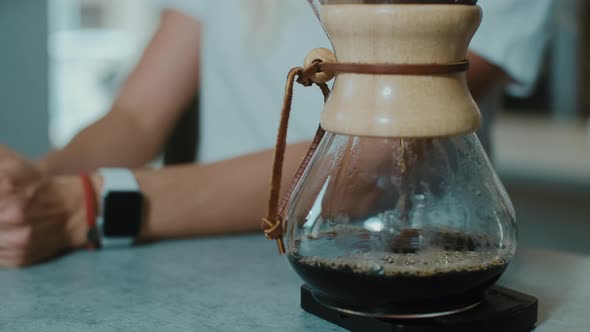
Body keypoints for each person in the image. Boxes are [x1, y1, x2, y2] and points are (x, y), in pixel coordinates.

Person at [0, 0, 555, 267]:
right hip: (209, 258)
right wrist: (29, 184)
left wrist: (87, 207)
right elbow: (136, 119)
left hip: (399, 261)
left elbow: (380, 154)